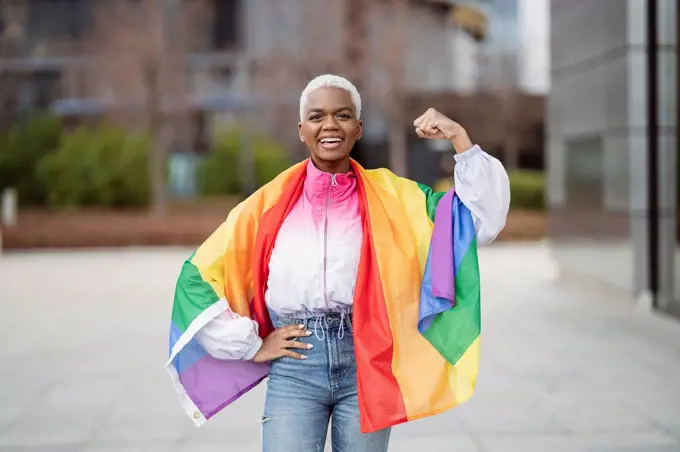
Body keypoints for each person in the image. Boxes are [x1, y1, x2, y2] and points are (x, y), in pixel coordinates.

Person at [166, 74, 510, 452]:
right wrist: (250, 345)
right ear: (302, 130)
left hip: (368, 359)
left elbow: (473, 222)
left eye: (342, 115)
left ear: (358, 128)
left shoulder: (397, 198)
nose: (330, 125)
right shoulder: (266, 206)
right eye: (317, 117)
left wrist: (459, 138)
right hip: (297, 363)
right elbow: (196, 276)